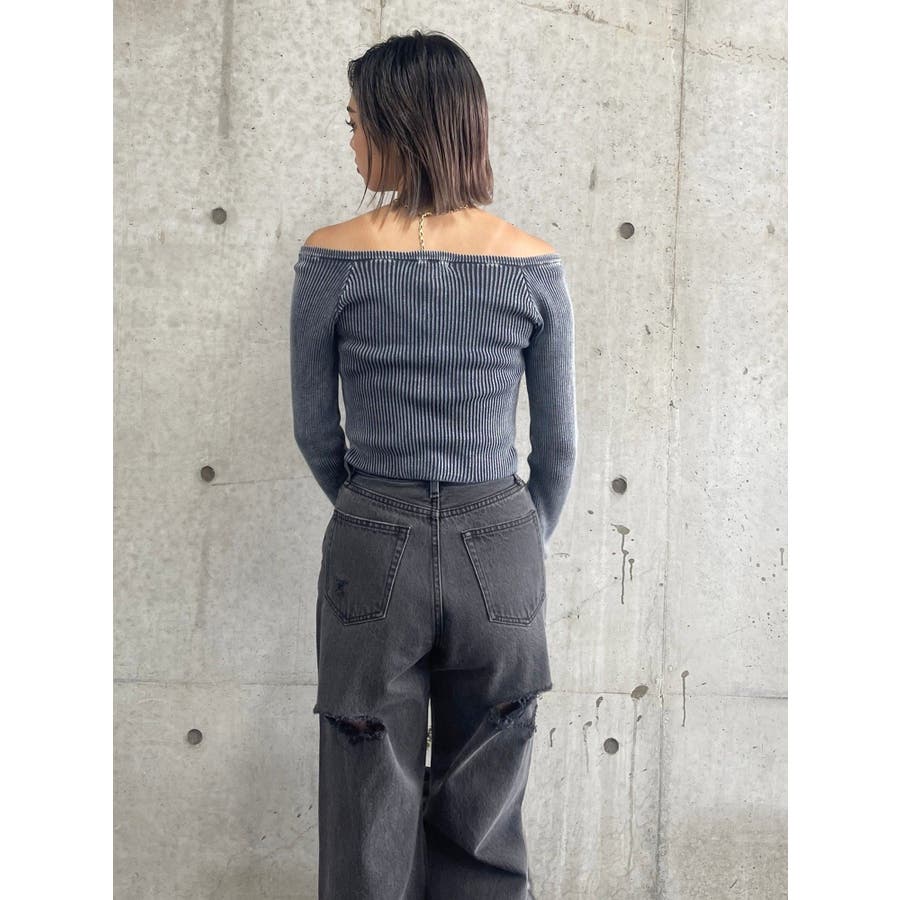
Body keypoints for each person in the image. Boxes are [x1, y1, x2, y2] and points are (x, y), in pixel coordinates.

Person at [289, 29, 577, 900]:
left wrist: (377, 514)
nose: (350, 141)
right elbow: (558, 449)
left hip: (373, 538)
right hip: (503, 543)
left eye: (355, 122)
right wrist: (509, 537)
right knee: (487, 796)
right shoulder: (531, 264)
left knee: (366, 791)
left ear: (397, 125)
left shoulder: (331, 259)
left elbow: (316, 433)